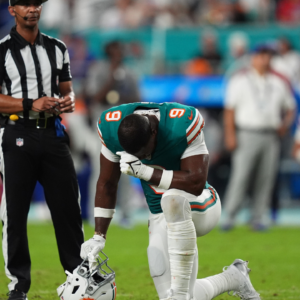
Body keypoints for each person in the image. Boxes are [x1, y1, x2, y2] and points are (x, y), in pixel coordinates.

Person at [80, 102, 261, 300]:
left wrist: (145, 171)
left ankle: (180, 294)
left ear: (154, 131)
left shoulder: (180, 124)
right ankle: (235, 278)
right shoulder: (111, 127)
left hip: (200, 204)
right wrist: (99, 235)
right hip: (160, 215)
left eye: (144, 152)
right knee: (171, 295)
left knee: (172, 198)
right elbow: (107, 183)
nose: (144, 157)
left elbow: (195, 182)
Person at [0, 1, 84, 299]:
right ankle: (18, 287)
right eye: (24, 3)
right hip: (16, 133)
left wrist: (69, 99)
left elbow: (66, 87)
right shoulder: (3, 49)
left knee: (68, 208)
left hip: (52, 133)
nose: (32, 8)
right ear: (12, 10)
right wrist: (29, 104)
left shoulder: (57, 47)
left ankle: (78, 277)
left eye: (36, 2)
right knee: (15, 213)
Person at [222, 44, 296, 231]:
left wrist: (284, 125)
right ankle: (230, 215)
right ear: (253, 58)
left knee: (266, 177)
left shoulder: (278, 82)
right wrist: (230, 135)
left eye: (269, 56)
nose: (266, 59)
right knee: (241, 175)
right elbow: (229, 110)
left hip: (270, 134)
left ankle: (258, 216)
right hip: (247, 132)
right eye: (262, 55)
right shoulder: (240, 80)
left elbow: (291, 108)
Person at [85, 40, 140, 226]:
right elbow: (95, 97)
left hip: (123, 129)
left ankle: (126, 214)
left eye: (121, 50)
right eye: (116, 50)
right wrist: (112, 79)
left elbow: (138, 101)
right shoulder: (98, 69)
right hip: (101, 128)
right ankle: (96, 214)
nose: (119, 53)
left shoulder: (129, 72)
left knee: (125, 172)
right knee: (100, 172)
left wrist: (121, 97)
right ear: (108, 51)